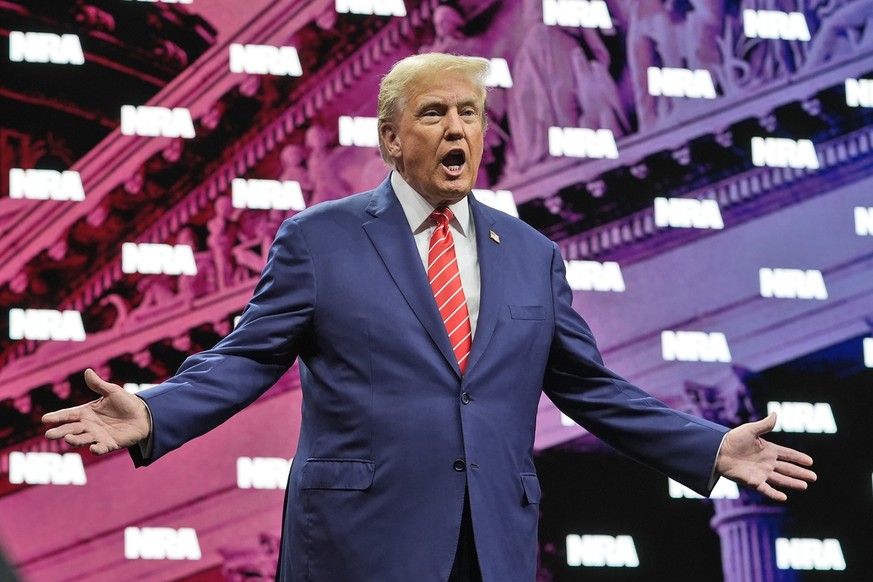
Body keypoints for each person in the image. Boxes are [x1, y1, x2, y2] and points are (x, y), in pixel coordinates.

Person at [42, 53, 816, 582]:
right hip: (359, 541)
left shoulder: (530, 253)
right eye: (435, 113)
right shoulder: (320, 238)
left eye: (470, 114)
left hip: (493, 542)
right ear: (388, 138)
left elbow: (589, 388)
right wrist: (150, 413)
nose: (457, 130)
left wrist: (708, 445)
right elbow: (247, 358)